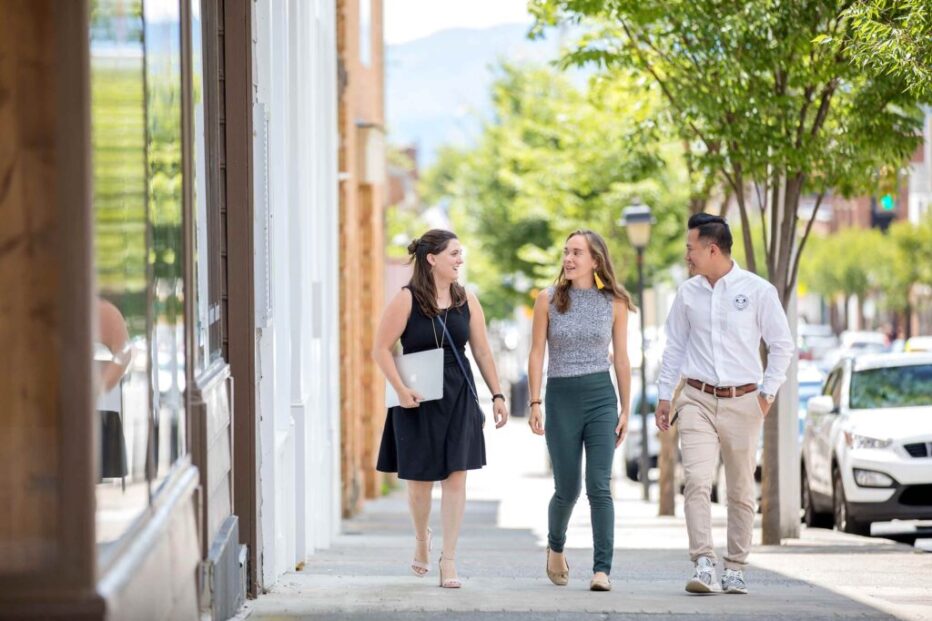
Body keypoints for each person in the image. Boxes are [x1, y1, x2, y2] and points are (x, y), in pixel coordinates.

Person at [654, 213, 794, 595]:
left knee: (740, 489)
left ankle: (735, 566)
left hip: (743, 400)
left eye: (691, 248)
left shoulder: (758, 290)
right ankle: (704, 562)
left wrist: (766, 393)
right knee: (697, 480)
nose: (687, 256)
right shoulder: (687, 293)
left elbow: (782, 345)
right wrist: (665, 395)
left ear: (712, 249)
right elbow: (675, 347)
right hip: (697, 398)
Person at [374, 229, 509, 589]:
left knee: (456, 477)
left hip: (458, 394)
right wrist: (400, 389)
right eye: (454, 253)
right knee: (419, 482)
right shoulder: (407, 300)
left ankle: (448, 560)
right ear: (432, 259)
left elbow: (481, 351)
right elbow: (382, 349)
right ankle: (422, 540)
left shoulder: (468, 300)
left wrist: (497, 395)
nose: (460, 259)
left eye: (460, 253)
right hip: (416, 397)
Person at [527, 229, 634, 592]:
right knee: (567, 488)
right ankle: (555, 546)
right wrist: (534, 402)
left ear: (595, 260)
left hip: (601, 397)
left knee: (599, 486)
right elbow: (536, 353)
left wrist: (625, 408)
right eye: (566, 252)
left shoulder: (615, 303)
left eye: (577, 253)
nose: (569, 259)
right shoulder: (548, 299)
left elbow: (621, 358)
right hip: (560, 398)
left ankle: (602, 569)